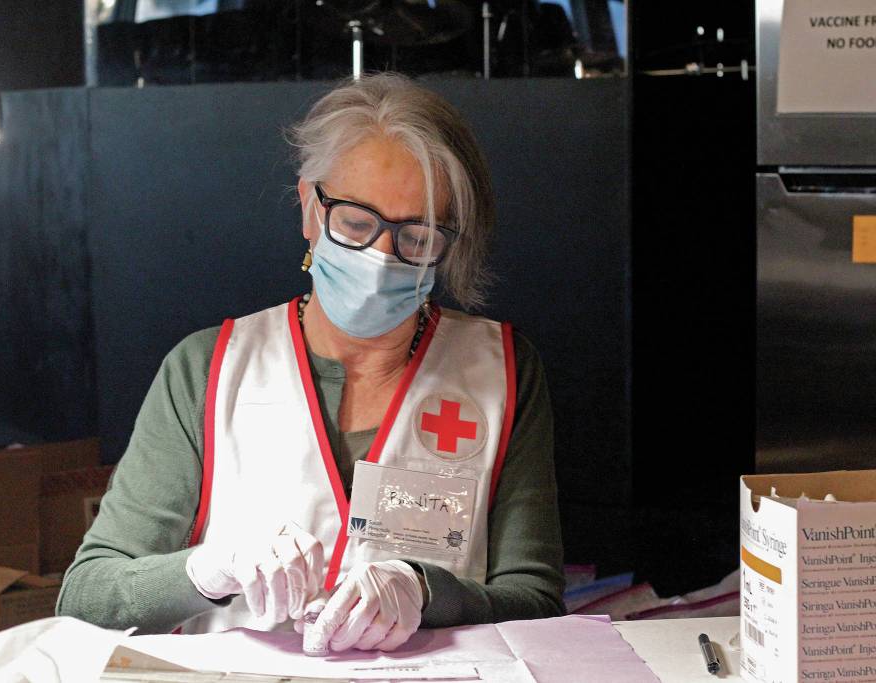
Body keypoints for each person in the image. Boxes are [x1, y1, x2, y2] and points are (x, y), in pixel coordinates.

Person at [57, 72, 564, 653]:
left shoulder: (500, 373)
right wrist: (205, 572)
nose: (380, 258)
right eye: (356, 223)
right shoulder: (210, 370)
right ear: (309, 208)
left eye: (417, 238)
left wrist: (426, 592)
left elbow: (537, 604)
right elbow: (87, 600)